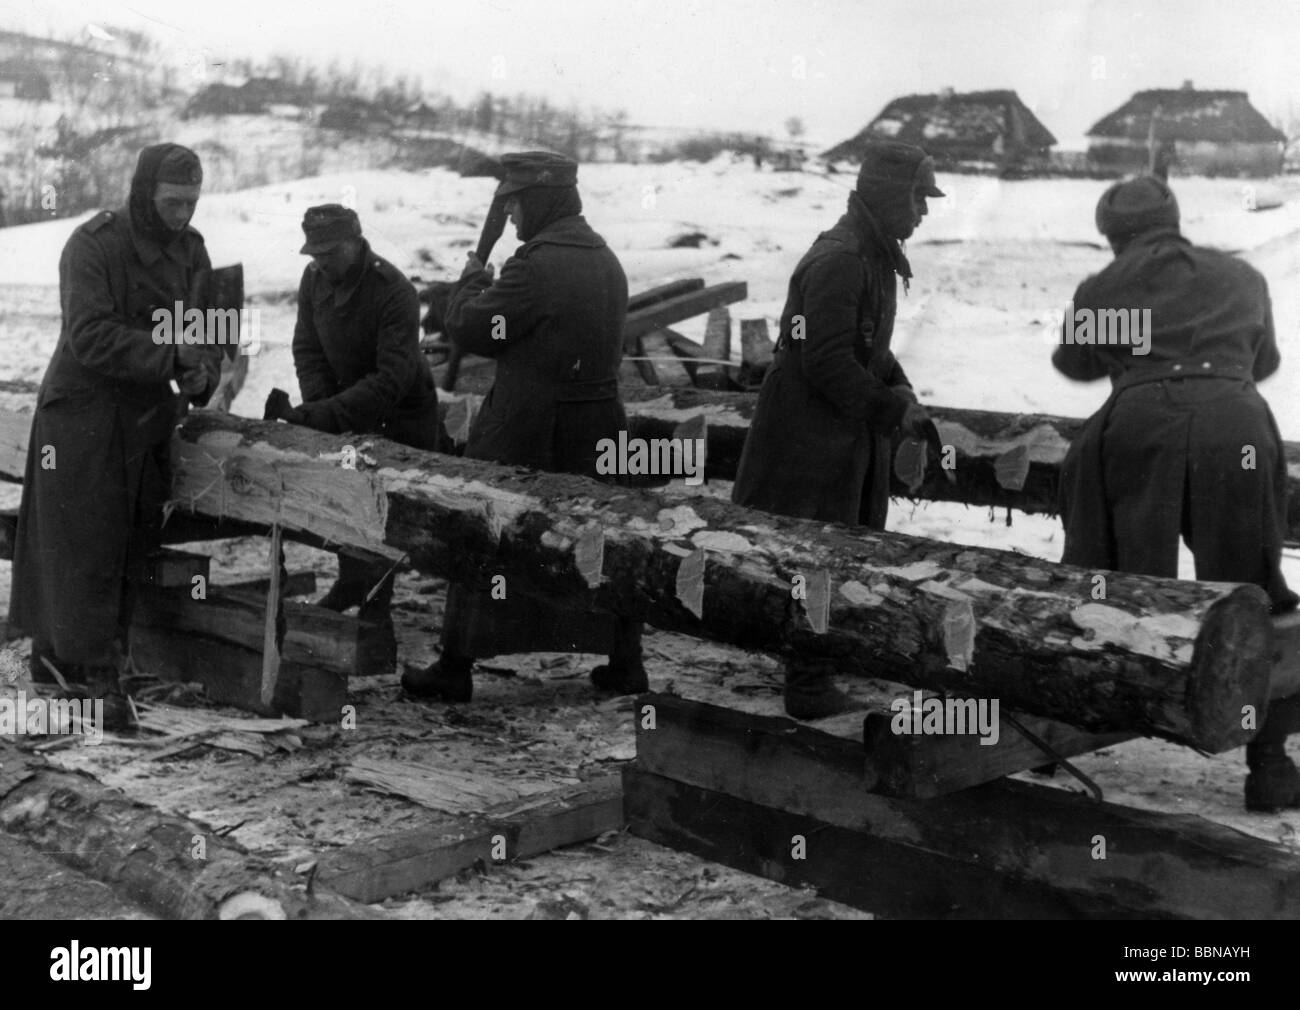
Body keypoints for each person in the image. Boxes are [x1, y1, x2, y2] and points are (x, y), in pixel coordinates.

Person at [1054, 174, 1300, 812]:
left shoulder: (1104, 287)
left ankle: (1058, 730)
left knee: (1106, 582)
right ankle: (1270, 767)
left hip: (1139, 430)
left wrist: (1135, 351)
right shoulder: (1240, 277)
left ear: (1110, 235)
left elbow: (1074, 365)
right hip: (1235, 426)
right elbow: (1266, 362)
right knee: (1253, 592)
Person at [401, 151, 646, 703]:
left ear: (540, 200)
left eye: (516, 205)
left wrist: (468, 280)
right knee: (599, 542)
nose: (510, 218)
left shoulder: (536, 264)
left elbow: (472, 328)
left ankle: (455, 666)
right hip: (599, 425)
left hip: (531, 427)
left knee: (483, 531)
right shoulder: (604, 257)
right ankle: (625, 662)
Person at [8, 143, 221, 730]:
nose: (182, 215)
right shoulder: (94, 244)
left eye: (192, 203)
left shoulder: (192, 251)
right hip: (83, 413)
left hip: (146, 417)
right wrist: (169, 353)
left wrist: (203, 371)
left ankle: (89, 665)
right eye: (173, 202)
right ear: (144, 193)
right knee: (82, 546)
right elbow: (89, 335)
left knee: (130, 543)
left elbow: (200, 331)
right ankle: (86, 678)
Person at [732, 140, 943, 720]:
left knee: (838, 546)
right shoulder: (843, 258)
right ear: (888, 196)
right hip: (808, 430)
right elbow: (824, 359)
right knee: (814, 553)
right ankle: (807, 684)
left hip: (837, 424)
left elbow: (865, 346)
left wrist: (904, 392)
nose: (923, 213)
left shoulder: (872, 254)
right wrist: (889, 409)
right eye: (918, 199)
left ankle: (822, 659)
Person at [270, 204, 444, 664]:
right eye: (315, 252)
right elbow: (306, 347)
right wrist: (322, 408)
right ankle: (351, 584)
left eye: (331, 251)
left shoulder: (394, 290)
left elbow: (392, 379)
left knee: (382, 515)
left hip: (401, 417)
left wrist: (327, 414)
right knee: (343, 499)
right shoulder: (314, 280)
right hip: (347, 411)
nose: (322, 261)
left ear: (357, 241)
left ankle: (376, 613)